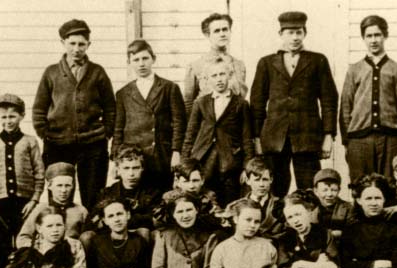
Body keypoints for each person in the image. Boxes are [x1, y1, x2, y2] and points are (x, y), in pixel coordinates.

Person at [250, 11, 338, 197]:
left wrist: (328, 135)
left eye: (299, 32)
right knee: (275, 188)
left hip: (307, 137)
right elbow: (257, 103)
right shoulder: (266, 63)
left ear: (305, 33)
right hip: (274, 139)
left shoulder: (317, 60)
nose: (295, 37)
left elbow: (329, 100)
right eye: (290, 32)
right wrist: (257, 138)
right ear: (281, 34)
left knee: (309, 188)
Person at [32, 19, 116, 211]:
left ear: (88, 45)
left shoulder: (97, 72)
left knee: (94, 194)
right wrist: (44, 132)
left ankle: (89, 234)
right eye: (72, 43)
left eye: (81, 44)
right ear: (63, 43)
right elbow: (39, 107)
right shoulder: (51, 73)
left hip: (93, 143)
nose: (76, 49)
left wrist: (106, 132)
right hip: (58, 143)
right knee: (60, 193)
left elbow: (110, 106)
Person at [0, 94, 45, 268]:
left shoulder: (29, 141)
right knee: (1, 245)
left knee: (22, 243)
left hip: (23, 203)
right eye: (3, 117)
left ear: (22, 116)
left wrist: (34, 199)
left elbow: (39, 172)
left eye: (12, 116)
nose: (8, 121)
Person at [340, 15, 397, 181]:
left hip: (391, 139)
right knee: (361, 185)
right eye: (369, 36)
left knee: (390, 185)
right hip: (359, 139)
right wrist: (347, 142)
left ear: (385, 36)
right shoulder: (354, 70)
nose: (373, 40)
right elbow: (345, 107)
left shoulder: (396, 70)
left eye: (377, 35)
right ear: (363, 38)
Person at [113, 39, 186, 192]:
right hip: (134, 158)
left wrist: (176, 152)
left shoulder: (169, 88)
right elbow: (118, 129)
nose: (141, 64)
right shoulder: (123, 93)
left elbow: (179, 123)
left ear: (153, 59)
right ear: (129, 62)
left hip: (161, 155)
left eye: (145, 58)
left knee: (161, 195)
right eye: (136, 60)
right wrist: (115, 161)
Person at [182, 58, 254, 206]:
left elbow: (247, 138)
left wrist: (247, 166)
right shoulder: (201, 103)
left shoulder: (241, 104)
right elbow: (190, 135)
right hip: (204, 161)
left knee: (230, 202)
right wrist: (184, 163)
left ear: (229, 75)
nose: (219, 79)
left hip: (230, 162)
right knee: (206, 201)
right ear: (207, 79)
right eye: (214, 76)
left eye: (222, 74)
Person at [81, 145, 160, 249]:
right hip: (110, 234)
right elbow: (92, 219)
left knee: (144, 232)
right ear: (118, 169)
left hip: (136, 238)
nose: (131, 173)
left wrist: (128, 220)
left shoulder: (152, 193)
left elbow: (153, 218)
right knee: (86, 236)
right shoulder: (107, 193)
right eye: (126, 168)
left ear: (142, 168)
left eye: (135, 168)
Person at [183, 13, 247, 119]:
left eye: (225, 29)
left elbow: (240, 100)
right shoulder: (196, 66)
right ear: (208, 35)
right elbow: (188, 104)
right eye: (217, 31)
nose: (222, 34)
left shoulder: (239, 65)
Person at [17, 162, 88, 248]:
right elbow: (22, 238)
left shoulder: (81, 211)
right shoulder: (40, 209)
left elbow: (87, 238)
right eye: (59, 185)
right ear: (49, 186)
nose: (63, 190)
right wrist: (39, 248)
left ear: (72, 186)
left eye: (67, 185)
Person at [154, 159, 222, 231]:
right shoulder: (169, 197)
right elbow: (157, 223)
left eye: (195, 180)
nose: (191, 186)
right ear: (178, 182)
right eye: (186, 181)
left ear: (202, 180)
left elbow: (217, 219)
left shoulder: (208, 197)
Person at [242, 157, 284, 239]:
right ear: (248, 181)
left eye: (265, 179)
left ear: (271, 180)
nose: (261, 184)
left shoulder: (280, 205)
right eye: (257, 180)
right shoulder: (239, 206)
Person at [311, 168, 354, 239]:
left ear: (339, 190)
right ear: (316, 191)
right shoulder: (310, 210)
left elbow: (353, 233)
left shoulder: (348, 208)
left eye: (334, 190)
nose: (329, 194)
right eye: (324, 190)